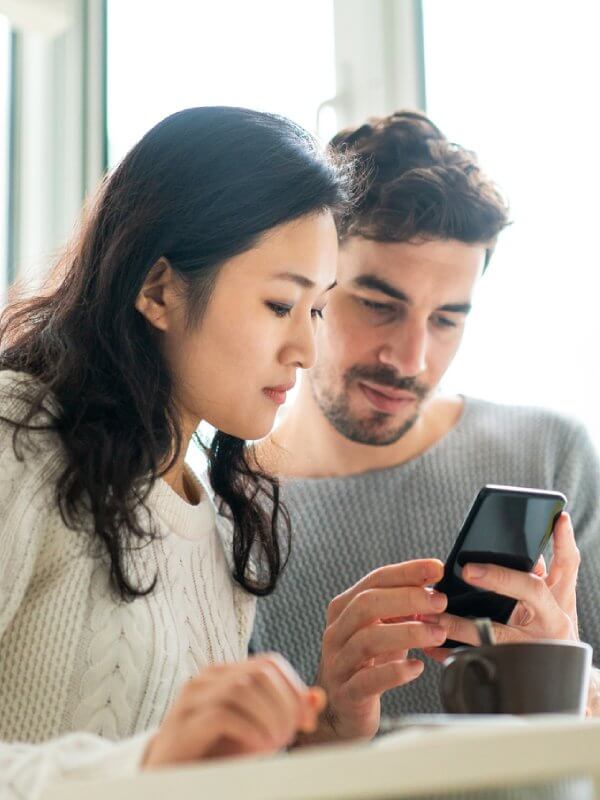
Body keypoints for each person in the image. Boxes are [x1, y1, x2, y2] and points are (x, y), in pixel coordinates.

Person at [0, 105, 351, 799]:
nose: (308, 351)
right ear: (158, 289)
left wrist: (336, 725)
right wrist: (146, 765)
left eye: (317, 310)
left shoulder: (221, 520)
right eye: (281, 305)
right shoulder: (22, 432)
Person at [251, 111, 600, 745]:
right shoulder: (228, 513)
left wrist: (573, 683)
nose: (411, 360)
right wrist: (328, 728)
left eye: (446, 320)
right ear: (313, 285)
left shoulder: (553, 456)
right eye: (380, 306)